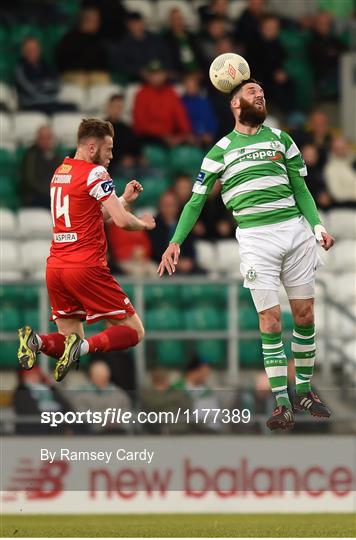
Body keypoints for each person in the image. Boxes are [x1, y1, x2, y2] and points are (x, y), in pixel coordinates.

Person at [158, 78, 335, 431]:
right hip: (256, 238)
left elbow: (301, 188)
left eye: (262, 93)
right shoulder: (219, 151)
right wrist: (176, 240)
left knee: (304, 315)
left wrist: (317, 226)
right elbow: (195, 200)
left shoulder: (282, 139)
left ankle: (303, 391)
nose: (260, 95)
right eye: (253, 92)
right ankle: (281, 400)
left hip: (295, 231)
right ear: (235, 104)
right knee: (270, 320)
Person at [18, 118, 156, 382]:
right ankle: (83, 347)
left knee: (69, 341)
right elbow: (123, 222)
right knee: (135, 331)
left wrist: (123, 199)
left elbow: (91, 216)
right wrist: (144, 225)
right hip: (85, 267)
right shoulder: (95, 173)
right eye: (109, 149)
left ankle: (36, 342)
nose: (112, 155)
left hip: (56, 268)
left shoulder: (61, 171)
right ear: (92, 148)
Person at [133, 60, 192, 147]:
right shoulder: (141, 94)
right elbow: (140, 124)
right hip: (149, 138)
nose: (157, 77)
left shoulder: (171, 92)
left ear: (165, 74)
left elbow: (181, 116)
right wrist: (163, 135)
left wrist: (184, 134)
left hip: (171, 137)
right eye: (153, 74)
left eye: (159, 73)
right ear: (148, 76)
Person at [72, 360, 132, 434]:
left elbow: (126, 416)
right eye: (98, 377)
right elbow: (83, 417)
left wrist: (113, 422)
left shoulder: (120, 395)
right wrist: (106, 421)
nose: (102, 380)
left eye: (104, 377)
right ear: (91, 377)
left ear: (108, 376)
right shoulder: (81, 396)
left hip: (118, 434)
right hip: (92, 436)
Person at [15, 37, 70, 114]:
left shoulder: (47, 66)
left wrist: (41, 86)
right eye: (29, 49)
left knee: (73, 108)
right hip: (31, 105)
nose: (32, 52)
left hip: (51, 103)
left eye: (34, 49)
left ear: (39, 50)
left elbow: (57, 84)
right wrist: (46, 86)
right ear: (23, 51)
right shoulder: (20, 69)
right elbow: (31, 90)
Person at [56, 6, 109, 87]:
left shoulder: (98, 40)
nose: (97, 24)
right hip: (73, 74)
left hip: (94, 75)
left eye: (97, 21)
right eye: (94, 21)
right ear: (85, 21)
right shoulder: (70, 38)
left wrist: (91, 73)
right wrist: (80, 71)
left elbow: (103, 63)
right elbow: (63, 61)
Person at [149, 190, 200, 275]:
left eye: (171, 205)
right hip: (161, 265)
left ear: (177, 206)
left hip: (185, 266)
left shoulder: (185, 224)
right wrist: (177, 264)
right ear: (159, 206)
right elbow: (155, 251)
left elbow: (191, 248)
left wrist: (189, 261)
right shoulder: (154, 225)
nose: (168, 209)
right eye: (165, 205)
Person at [21, 125, 62, 207]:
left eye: (48, 138)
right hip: (34, 195)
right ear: (37, 139)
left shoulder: (56, 157)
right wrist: (48, 191)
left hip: (52, 193)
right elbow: (30, 180)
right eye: (43, 138)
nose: (46, 141)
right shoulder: (31, 155)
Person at [105, 93, 144, 175]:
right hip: (112, 165)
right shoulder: (102, 128)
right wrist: (121, 159)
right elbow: (104, 151)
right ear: (108, 107)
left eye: (119, 107)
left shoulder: (126, 128)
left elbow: (135, 145)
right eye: (114, 106)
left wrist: (138, 156)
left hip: (130, 163)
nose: (116, 110)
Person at [181, 72, 218, 147]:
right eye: (188, 86)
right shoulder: (180, 102)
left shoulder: (204, 102)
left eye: (193, 85)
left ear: (197, 86)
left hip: (205, 139)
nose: (191, 88)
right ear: (185, 86)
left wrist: (209, 133)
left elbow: (211, 119)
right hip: (187, 139)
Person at [324, 136, 356, 206]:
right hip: (347, 207)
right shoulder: (331, 168)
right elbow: (337, 194)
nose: (342, 150)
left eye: (344, 147)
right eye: (338, 148)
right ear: (332, 150)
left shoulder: (353, 160)